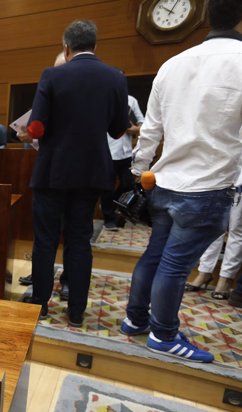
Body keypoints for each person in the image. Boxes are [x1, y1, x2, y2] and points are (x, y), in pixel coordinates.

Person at [120, 0, 242, 363]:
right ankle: (163, 334)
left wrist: (137, 172)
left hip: (162, 181)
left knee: (155, 255)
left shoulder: (172, 64)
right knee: (173, 264)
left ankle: (135, 319)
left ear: (205, 17)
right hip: (207, 186)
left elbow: (150, 130)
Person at [18, 20, 128, 326]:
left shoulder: (53, 75)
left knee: (45, 240)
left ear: (66, 47)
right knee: (80, 240)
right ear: (95, 45)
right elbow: (119, 131)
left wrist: (35, 130)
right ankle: (77, 310)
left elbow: (36, 127)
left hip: (53, 171)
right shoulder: (115, 78)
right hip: (92, 173)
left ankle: (40, 303)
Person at [102, 92, 144, 230]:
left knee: (128, 185)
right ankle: (109, 219)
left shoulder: (131, 100)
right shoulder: (103, 99)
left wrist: (133, 129)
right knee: (107, 187)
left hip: (126, 152)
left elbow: (142, 124)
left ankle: (113, 207)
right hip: (107, 151)